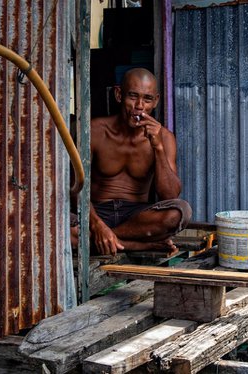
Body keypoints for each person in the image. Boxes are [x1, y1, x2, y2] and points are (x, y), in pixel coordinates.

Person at [75, 67, 191, 256]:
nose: (139, 106)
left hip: (136, 217)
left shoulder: (164, 137)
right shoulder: (94, 131)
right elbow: (74, 187)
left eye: (147, 99)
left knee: (179, 212)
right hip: (96, 212)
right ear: (119, 94)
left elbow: (170, 195)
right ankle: (133, 244)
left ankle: (111, 239)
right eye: (133, 96)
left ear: (156, 101)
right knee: (55, 226)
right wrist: (97, 225)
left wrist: (158, 148)